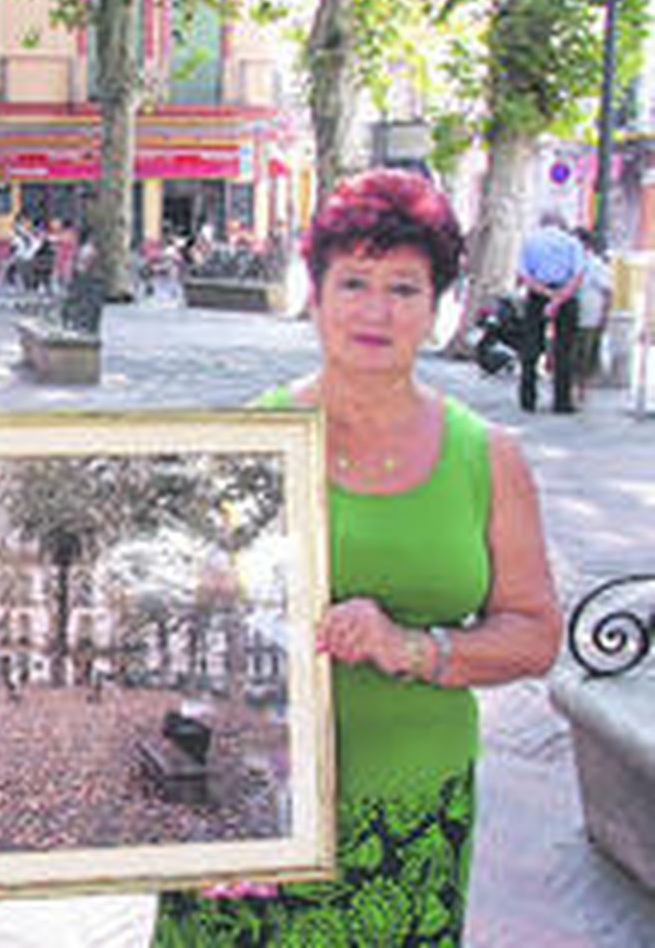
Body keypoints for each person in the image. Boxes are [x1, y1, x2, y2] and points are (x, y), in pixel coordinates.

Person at [153, 169, 562, 946]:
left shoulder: (489, 457)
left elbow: (536, 634)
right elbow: (169, 623)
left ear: (437, 307)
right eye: (354, 282)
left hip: (407, 813)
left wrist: (411, 646)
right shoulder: (245, 443)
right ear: (315, 294)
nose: (376, 310)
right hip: (253, 810)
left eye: (404, 287)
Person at [515, 211, 585, 414]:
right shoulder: (572, 243)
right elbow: (578, 275)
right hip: (566, 296)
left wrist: (546, 294)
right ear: (561, 223)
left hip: (537, 296)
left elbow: (524, 275)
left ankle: (528, 398)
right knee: (564, 349)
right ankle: (562, 401)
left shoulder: (530, 241)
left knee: (530, 347)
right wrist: (559, 298)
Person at [571, 227, 613, 409]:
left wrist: (605, 314)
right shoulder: (571, 261)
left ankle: (581, 387)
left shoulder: (595, 264)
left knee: (585, 352)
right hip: (572, 312)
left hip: (590, 313)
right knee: (572, 350)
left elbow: (607, 291)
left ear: (585, 244)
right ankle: (572, 386)